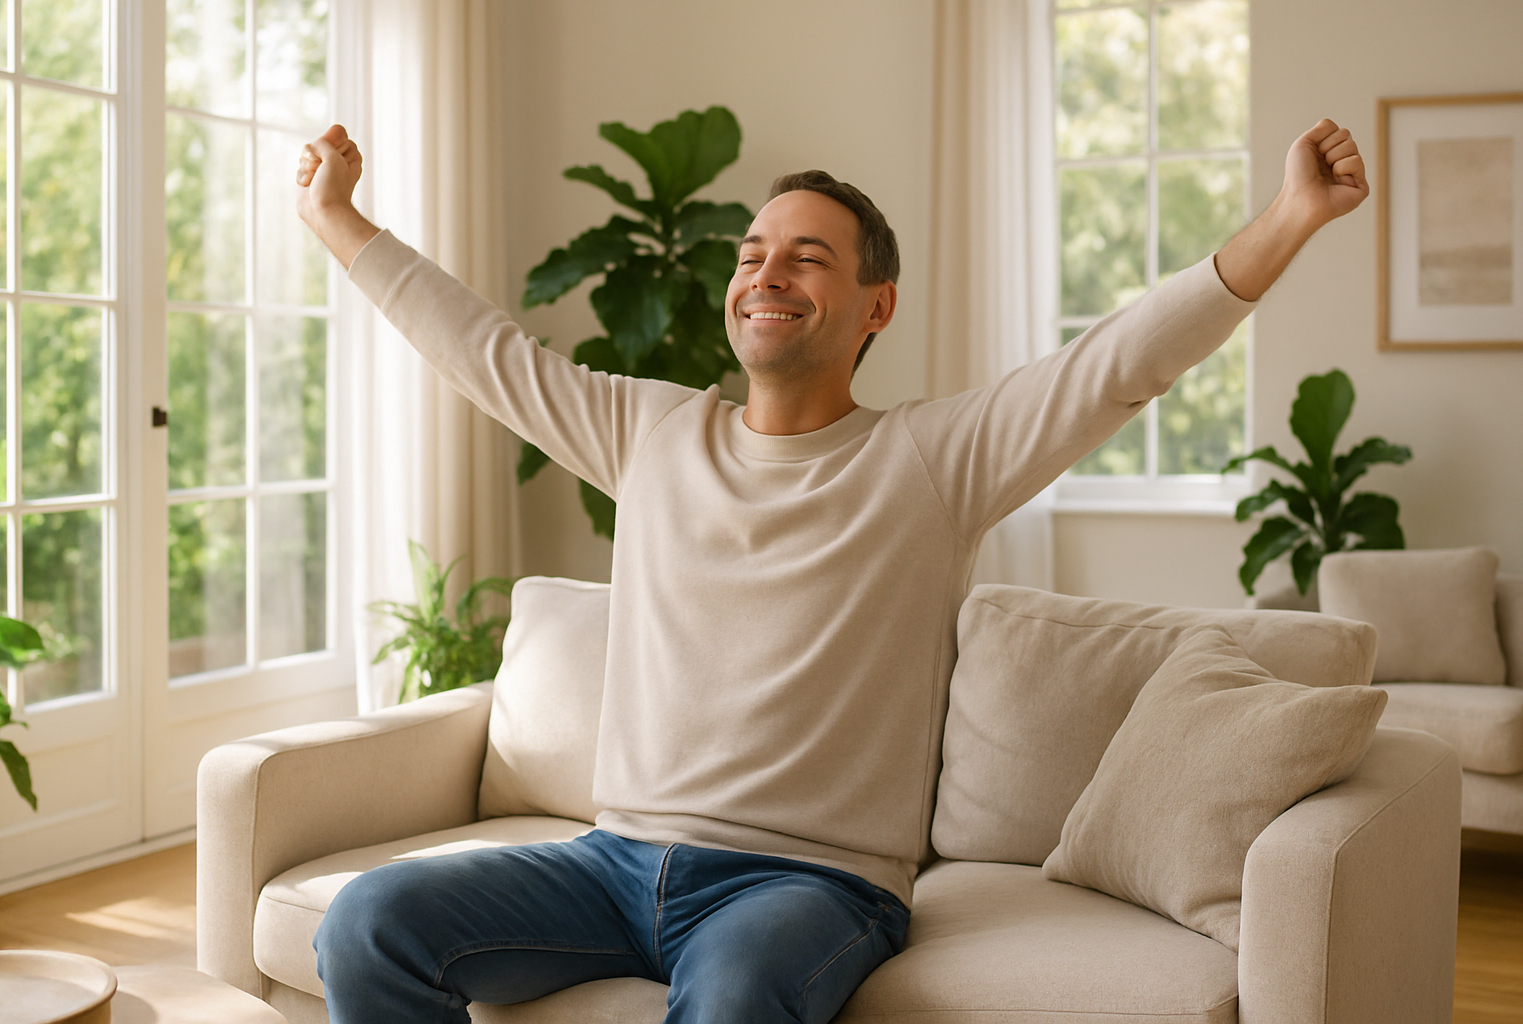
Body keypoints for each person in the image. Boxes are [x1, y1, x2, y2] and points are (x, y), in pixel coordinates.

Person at [295, 118, 1368, 1024]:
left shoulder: (936, 460)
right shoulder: (652, 431)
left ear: (875, 305)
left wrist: (1290, 218)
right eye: (754, 251)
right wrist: (338, 218)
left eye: (807, 257)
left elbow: (1120, 364)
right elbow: (483, 350)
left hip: (809, 885)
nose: (766, 271)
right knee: (368, 923)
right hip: (611, 862)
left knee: (742, 989)